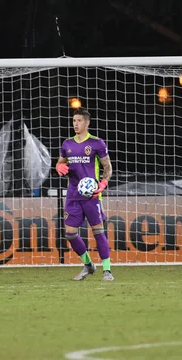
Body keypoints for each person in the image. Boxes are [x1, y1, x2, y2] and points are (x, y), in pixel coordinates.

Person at [55, 109, 114, 281]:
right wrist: (59, 167)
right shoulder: (67, 144)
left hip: (92, 195)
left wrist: (103, 183)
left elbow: (107, 166)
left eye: (79, 120)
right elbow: (60, 163)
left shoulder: (97, 143)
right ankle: (88, 264)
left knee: (98, 231)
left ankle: (107, 270)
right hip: (73, 194)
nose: (75, 124)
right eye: (74, 120)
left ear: (86, 123)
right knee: (70, 233)